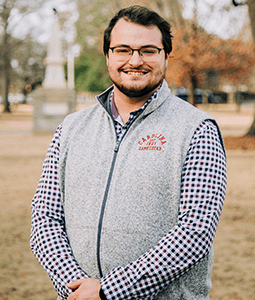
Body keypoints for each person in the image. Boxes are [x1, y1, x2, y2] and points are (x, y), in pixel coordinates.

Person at [30, 5, 227, 300]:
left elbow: (195, 232)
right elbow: (45, 217)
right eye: (123, 50)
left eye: (148, 50)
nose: (135, 61)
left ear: (166, 56)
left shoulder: (197, 129)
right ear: (108, 55)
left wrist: (107, 291)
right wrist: (76, 286)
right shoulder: (70, 129)